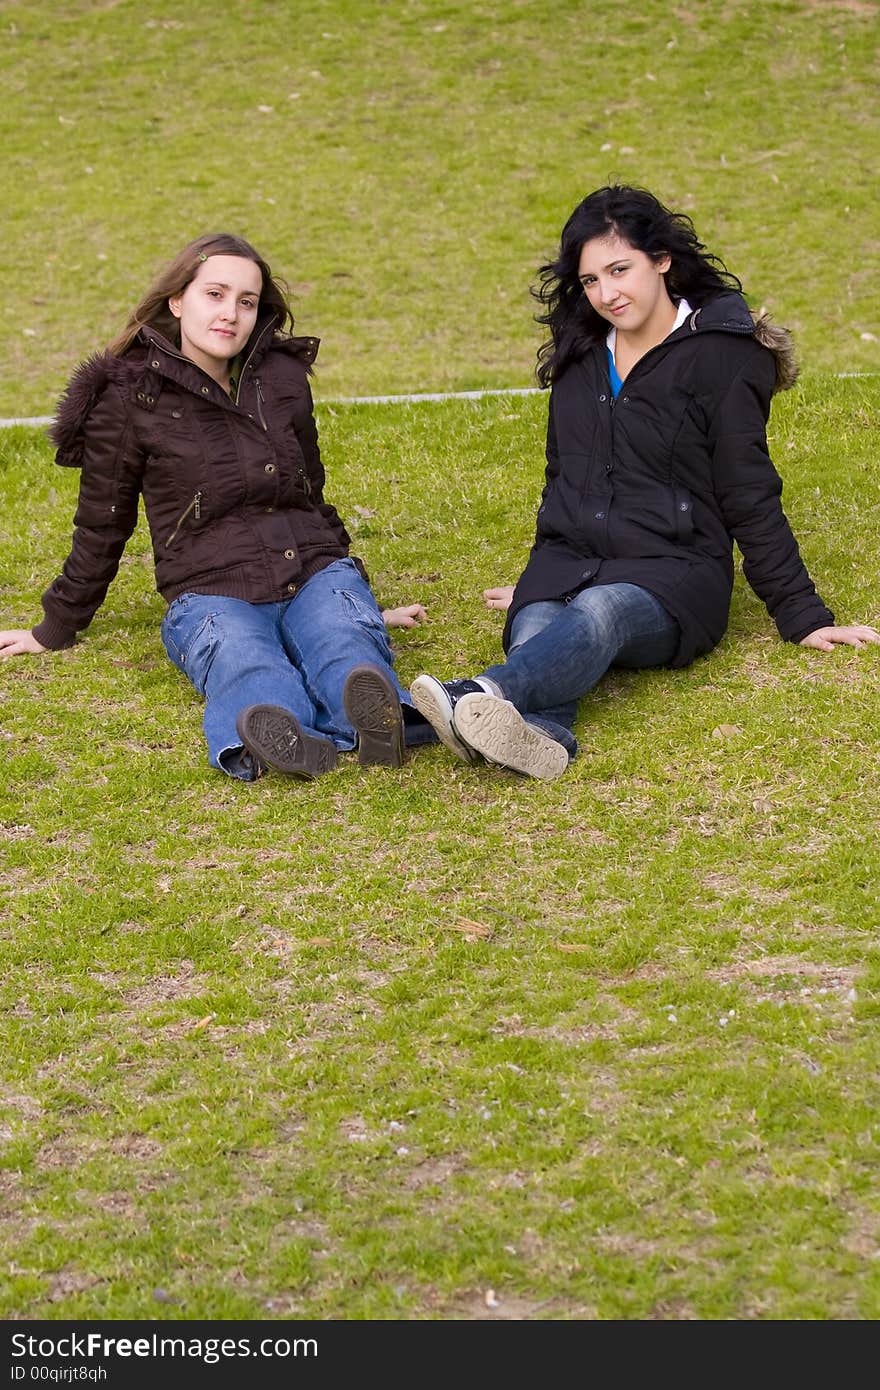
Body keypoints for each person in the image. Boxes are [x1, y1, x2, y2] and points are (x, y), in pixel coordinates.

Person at [411, 184, 878, 779]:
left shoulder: (724, 356)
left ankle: (463, 700)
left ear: (662, 260)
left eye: (619, 270)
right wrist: (538, 576)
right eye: (589, 281)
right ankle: (544, 738)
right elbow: (563, 477)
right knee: (535, 622)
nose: (606, 294)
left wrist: (803, 615)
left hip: (674, 572)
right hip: (572, 560)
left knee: (601, 610)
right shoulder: (581, 352)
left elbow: (748, 492)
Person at [0, 233, 435, 780]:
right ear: (178, 300)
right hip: (211, 586)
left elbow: (310, 491)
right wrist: (55, 625)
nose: (230, 313)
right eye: (215, 294)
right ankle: (283, 737)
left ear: (259, 312)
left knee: (344, 638)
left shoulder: (282, 379)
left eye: (246, 302)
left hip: (311, 565)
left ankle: (377, 723)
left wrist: (361, 598)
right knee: (242, 657)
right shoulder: (131, 396)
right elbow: (102, 523)